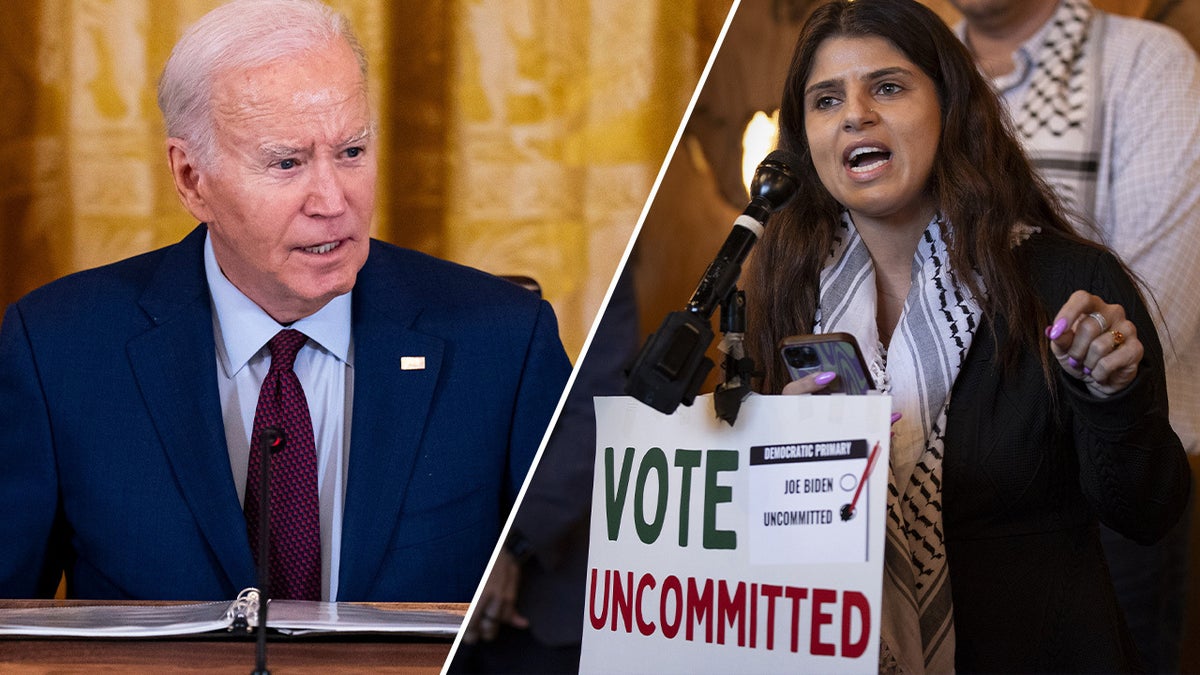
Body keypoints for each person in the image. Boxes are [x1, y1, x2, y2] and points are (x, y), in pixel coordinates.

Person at [0, 0, 571, 603]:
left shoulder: (504, 341)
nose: (331, 199)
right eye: (286, 162)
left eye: (351, 152)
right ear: (192, 179)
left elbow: (567, 604)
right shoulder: (58, 349)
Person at [744, 0, 1190, 671]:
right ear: (806, 139)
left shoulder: (1067, 282)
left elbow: (1149, 511)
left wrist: (1111, 394)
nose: (856, 113)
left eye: (887, 87)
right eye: (826, 99)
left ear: (951, 107)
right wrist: (788, 454)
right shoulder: (789, 297)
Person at [949, 1, 1200, 669]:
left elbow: (1153, 301)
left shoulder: (1143, 61)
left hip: (1115, 468)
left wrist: (1003, 410)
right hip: (952, 483)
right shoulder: (916, 64)